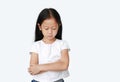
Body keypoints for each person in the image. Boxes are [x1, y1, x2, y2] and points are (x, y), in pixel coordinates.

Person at [28, 8, 70, 82]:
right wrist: (57, 65)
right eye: (46, 28)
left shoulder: (62, 44)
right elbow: (33, 69)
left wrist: (40, 67)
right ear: (40, 27)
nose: (50, 32)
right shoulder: (36, 45)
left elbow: (64, 65)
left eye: (53, 28)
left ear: (59, 25)